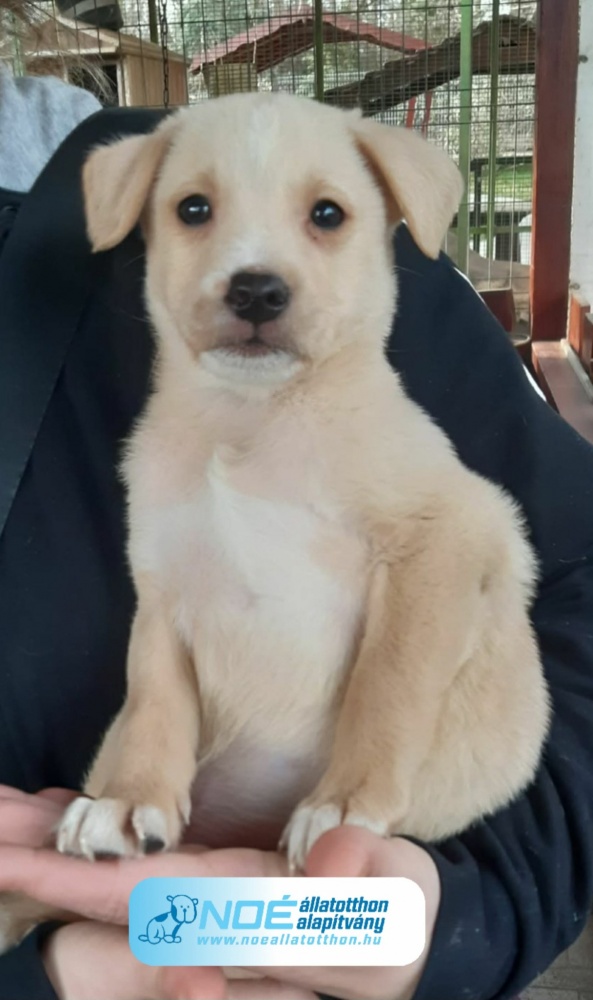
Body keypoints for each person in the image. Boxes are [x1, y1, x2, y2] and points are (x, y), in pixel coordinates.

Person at [1, 94, 593, 1000]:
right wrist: (44, 973)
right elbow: (167, 628)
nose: (255, 272)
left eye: (323, 215)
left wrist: (448, 911)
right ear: (143, 222)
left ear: (386, 223)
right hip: (137, 882)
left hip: (394, 853)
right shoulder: (160, 454)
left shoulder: (386, 421)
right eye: (195, 210)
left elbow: (461, 553)